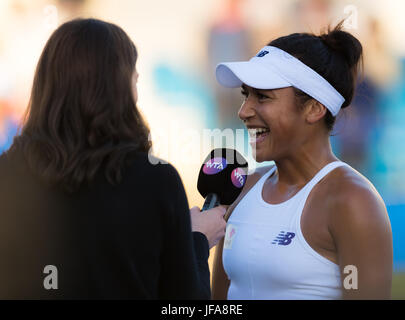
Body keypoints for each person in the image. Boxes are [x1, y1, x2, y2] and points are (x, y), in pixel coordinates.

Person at [0, 18, 226, 299]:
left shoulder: (7, 177)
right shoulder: (155, 182)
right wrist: (196, 242)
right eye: (134, 80)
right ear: (119, 89)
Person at [212, 20, 393, 300]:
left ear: (314, 108)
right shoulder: (241, 188)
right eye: (245, 95)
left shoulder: (353, 201)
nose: (243, 111)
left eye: (262, 96)